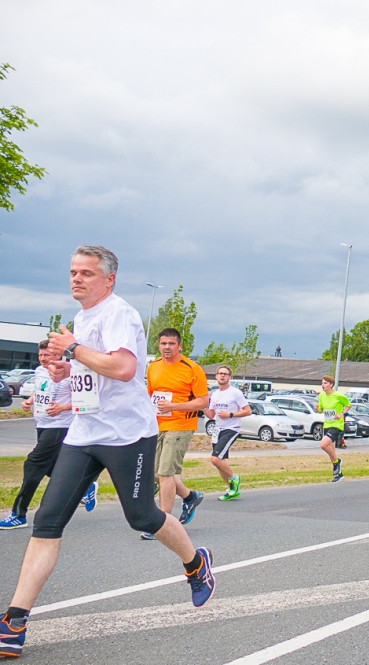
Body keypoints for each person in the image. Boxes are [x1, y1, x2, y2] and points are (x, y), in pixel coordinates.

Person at [0, 245, 214, 658]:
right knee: (47, 520)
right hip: (84, 432)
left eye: (86, 273)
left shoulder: (120, 313)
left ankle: (195, 564)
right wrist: (69, 368)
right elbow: (94, 370)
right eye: (72, 272)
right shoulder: (81, 319)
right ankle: (14, 621)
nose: (76, 279)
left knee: (142, 515)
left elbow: (123, 368)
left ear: (108, 279)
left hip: (126, 435)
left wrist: (74, 351)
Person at [1, 341, 97, 531]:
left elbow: (87, 400)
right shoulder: (38, 371)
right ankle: (85, 487)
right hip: (42, 424)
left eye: (47, 355)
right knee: (50, 468)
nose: (43, 359)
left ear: (58, 355)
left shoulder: (70, 374)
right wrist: (29, 401)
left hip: (60, 426)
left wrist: (62, 407)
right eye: (40, 355)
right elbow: (40, 390)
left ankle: (18, 514)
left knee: (33, 465)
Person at [145, 328, 210, 539]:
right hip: (157, 424)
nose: (167, 348)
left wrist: (174, 406)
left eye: (171, 344)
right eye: (163, 344)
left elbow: (203, 401)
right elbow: (150, 395)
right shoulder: (153, 366)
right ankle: (190, 497)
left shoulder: (192, 368)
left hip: (181, 424)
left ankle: (163, 525)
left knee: (165, 473)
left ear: (179, 346)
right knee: (155, 474)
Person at [205, 366, 251, 500]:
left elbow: (247, 411)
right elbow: (211, 415)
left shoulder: (235, 393)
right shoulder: (215, 394)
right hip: (217, 429)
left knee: (215, 459)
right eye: (220, 374)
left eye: (225, 374)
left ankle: (234, 478)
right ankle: (232, 490)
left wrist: (230, 414)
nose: (222, 376)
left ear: (230, 377)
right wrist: (202, 407)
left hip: (231, 428)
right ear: (216, 376)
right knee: (221, 462)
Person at [314, 376, 350, 482]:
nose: (323, 385)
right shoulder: (321, 396)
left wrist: (341, 413)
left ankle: (337, 462)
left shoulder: (338, 396)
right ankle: (338, 475)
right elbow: (321, 410)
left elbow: (348, 405)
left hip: (337, 425)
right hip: (327, 425)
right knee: (332, 452)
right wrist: (317, 409)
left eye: (325, 383)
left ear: (331, 384)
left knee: (323, 445)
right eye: (322, 383)